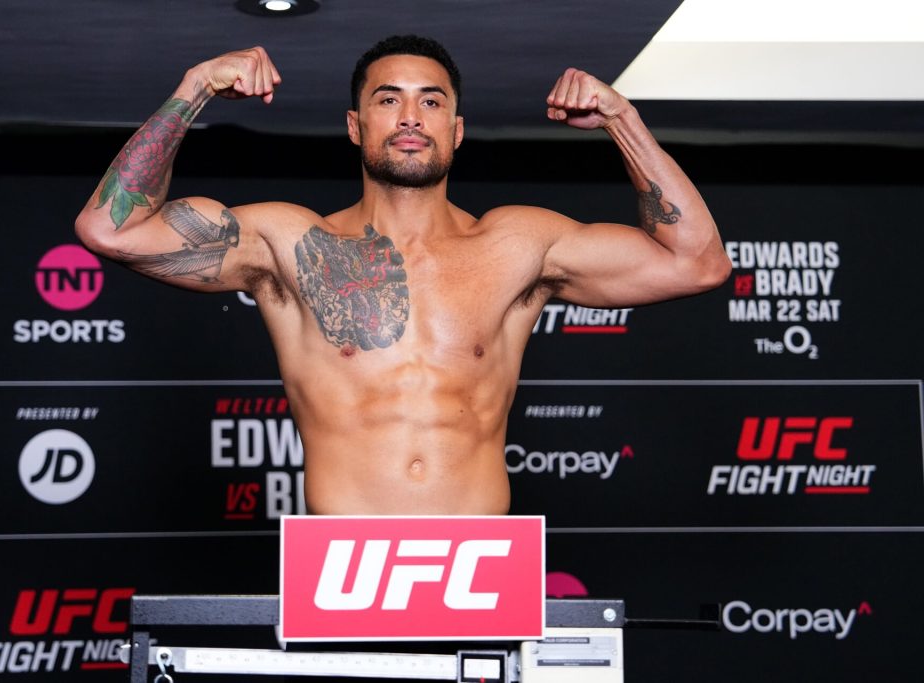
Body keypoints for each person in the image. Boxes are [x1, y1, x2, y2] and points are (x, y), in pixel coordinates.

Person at [75, 35, 731, 515]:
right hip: (342, 567)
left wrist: (622, 119)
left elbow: (697, 262)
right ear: (356, 126)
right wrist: (195, 86)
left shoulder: (518, 245)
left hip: (479, 567)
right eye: (388, 100)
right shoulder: (289, 243)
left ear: (457, 129)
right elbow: (111, 229)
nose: (411, 117)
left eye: (431, 101)